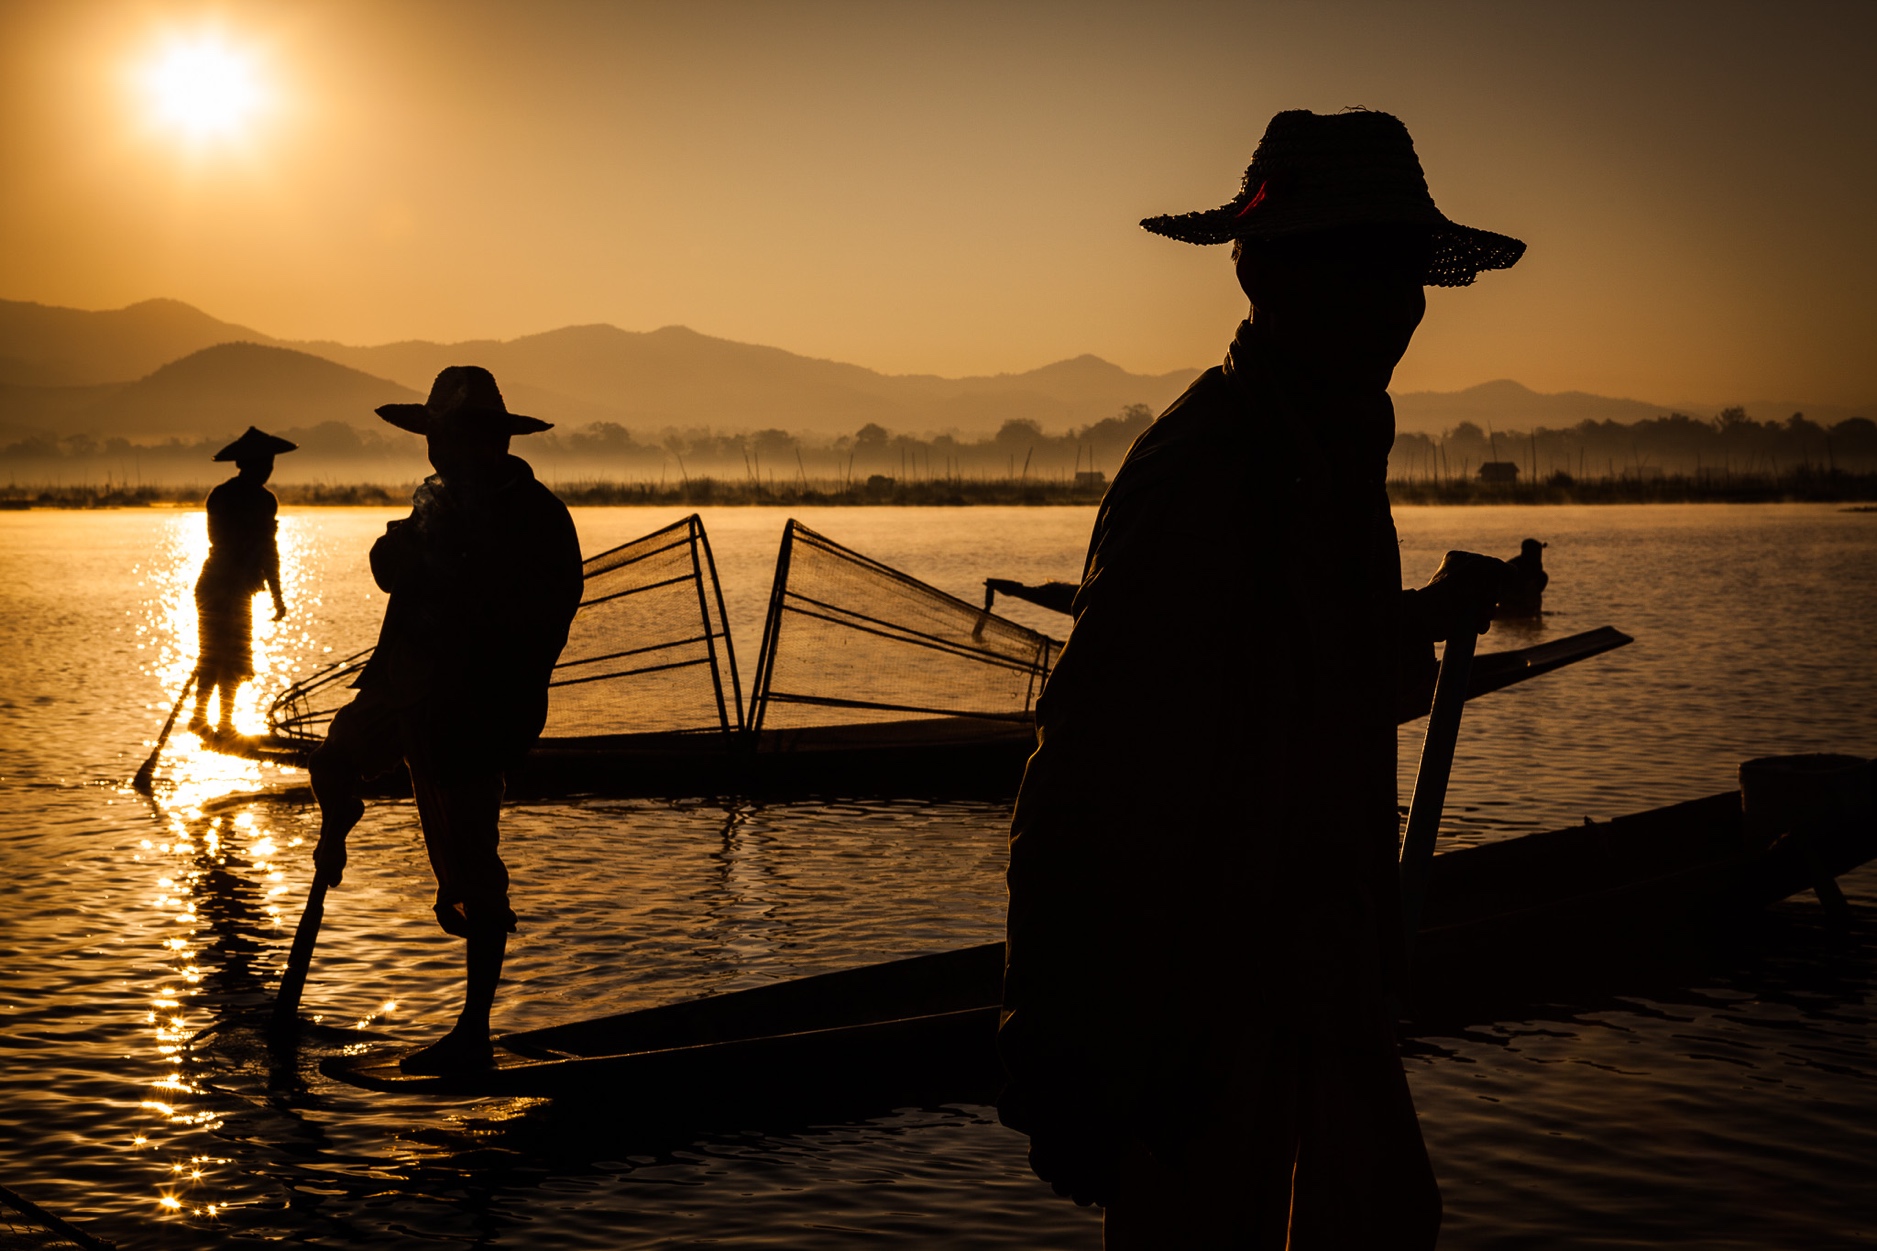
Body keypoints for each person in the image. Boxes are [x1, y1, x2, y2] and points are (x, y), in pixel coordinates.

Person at [998, 109, 1522, 1248]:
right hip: (1204, 991)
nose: (1392, 307)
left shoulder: (1322, 447)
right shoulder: (1210, 467)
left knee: (1383, 1219)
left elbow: (1302, 662)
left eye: (1400, 273)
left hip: (1320, 968)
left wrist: (1419, 619)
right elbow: (1089, 760)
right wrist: (1055, 1029)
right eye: (1355, 270)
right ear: (1260, 274)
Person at [307, 366, 583, 1074]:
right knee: (334, 760)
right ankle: (335, 837)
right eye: (434, 438)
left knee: (472, 869)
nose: (438, 450)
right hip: (405, 683)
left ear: (486, 440)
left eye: (449, 436)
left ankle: (473, 1032)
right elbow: (395, 560)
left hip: (475, 706)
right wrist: (397, 557)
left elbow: (537, 617)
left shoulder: (533, 516)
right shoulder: (438, 495)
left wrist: (445, 583)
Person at [191, 427, 297, 736]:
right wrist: (275, 595)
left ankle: (220, 720)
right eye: (264, 465)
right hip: (223, 586)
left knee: (225, 656)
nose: (267, 471)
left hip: (221, 584)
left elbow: (263, 549)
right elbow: (267, 550)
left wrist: (274, 594)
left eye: (270, 465)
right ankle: (208, 719)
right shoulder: (256, 500)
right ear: (247, 465)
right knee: (221, 654)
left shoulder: (224, 494)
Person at [1496, 538, 1549, 618]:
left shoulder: (1537, 569)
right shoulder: (1514, 566)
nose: (1539, 554)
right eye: (1537, 551)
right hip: (1510, 602)